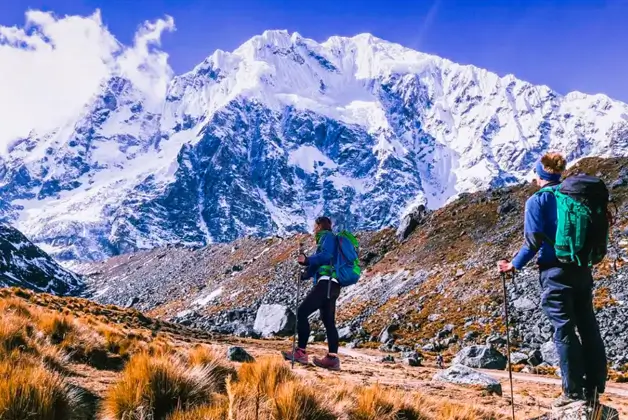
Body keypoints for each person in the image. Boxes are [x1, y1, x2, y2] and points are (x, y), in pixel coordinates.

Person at [497, 152, 607, 408]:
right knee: (588, 326)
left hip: (555, 274)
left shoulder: (538, 200)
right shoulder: (574, 196)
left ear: (540, 174)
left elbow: (533, 241)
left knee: (564, 329)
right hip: (582, 269)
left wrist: (513, 264)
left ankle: (572, 392)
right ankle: (594, 388)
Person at [282, 216, 342, 371]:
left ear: (319, 226)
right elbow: (319, 263)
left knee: (302, 312)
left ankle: (301, 352)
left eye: (314, 226)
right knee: (328, 321)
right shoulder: (328, 239)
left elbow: (326, 256)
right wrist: (305, 274)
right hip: (333, 285)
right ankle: (332, 359)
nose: (313, 229)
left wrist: (307, 260)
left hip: (326, 284)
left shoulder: (327, 237)